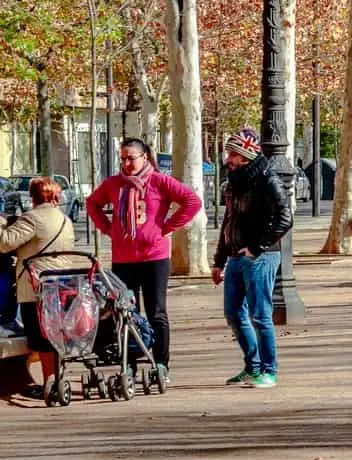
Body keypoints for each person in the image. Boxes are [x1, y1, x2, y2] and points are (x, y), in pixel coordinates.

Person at [86, 137, 202, 380]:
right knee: (126, 313)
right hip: (123, 260)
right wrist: (109, 229)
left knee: (156, 312)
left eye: (131, 158)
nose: (127, 163)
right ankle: (128, 364)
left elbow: (192, 201)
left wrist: (167, 226)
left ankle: (161, 363)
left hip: (154, 258)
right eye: (123, 159)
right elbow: (93, 204)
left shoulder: (159, 182)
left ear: (145, 157)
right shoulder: (114, 184)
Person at [213, 129, 292, 389]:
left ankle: (269, 370)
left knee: (260, 314)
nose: (228, 159)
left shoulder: (268, 180)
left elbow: (285, 218)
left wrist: (257, 247)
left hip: (260, 256)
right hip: (236, 254)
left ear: (246, 155)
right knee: (233, 313)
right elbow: (229, 220)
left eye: (233, 154)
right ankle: (252, 366)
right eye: (229, 153)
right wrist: (219, 260)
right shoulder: (234, 181)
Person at [1, 179, 76, 397]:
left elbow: (4, 242)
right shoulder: (65, 219)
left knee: (40, 338)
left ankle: (49, 383)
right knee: (54, 335)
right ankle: (56, 380)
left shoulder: (33, 219)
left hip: (36, 289)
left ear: (32, 196)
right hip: (60, 286)